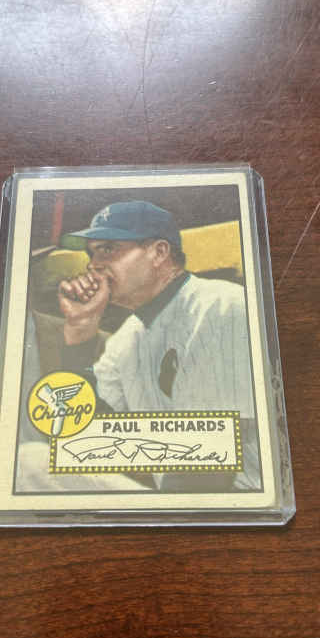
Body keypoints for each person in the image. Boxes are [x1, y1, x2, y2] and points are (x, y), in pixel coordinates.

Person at [57, 201, 260, 491]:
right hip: (180, 499)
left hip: (238, 500)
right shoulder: (127, 338)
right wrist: (81, 328)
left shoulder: (222, 306)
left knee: (30, 463)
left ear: (159, 252)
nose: (93, 265)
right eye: (92, 253)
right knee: (32, 460)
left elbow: (209, 465)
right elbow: (83, 436)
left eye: (108, 249)